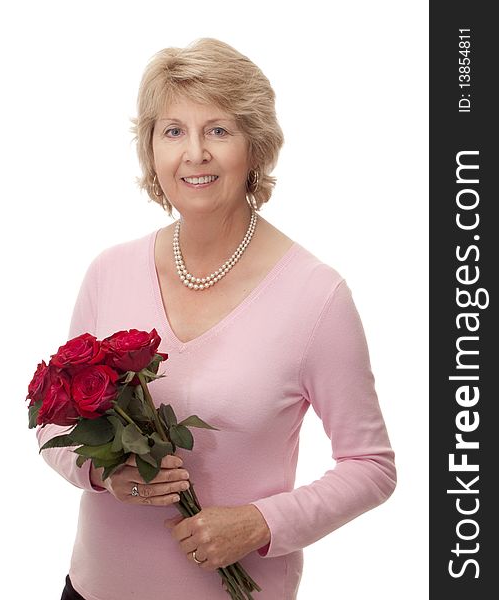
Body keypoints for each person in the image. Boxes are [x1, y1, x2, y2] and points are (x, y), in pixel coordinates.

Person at [38, 37, 397, 600]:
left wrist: (261, 523)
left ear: (255, 148)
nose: (194, 153)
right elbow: (54, 423)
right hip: (91, 591)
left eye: (219, 130)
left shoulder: (316, 296)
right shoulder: (109, 271)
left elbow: (371, 467)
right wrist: (104, 473)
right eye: (173, 130)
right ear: (151, 150)